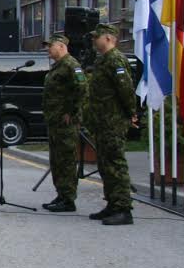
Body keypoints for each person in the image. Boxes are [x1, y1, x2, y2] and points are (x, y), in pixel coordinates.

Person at [84, 24, 139, 226]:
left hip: (113, 121)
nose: (93, 40)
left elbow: (125, 90)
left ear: (108, 38)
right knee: (105, 165)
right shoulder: (102, 60)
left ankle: (124, 209)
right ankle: (112, 204)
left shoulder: (115, 59)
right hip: (102, 121)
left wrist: (131, 113)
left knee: (116, 164)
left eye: (96, 37)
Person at [40, 33, 87, 214]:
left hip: (65, 122)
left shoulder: (71, 65)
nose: (47, 49)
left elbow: (82, 88)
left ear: (61, 46)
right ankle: (61, 194)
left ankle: (68, 199)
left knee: (66, 160)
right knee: (57, 160)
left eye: (50, 46)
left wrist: (72, 112)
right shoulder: (58, 66)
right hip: (55, 121)